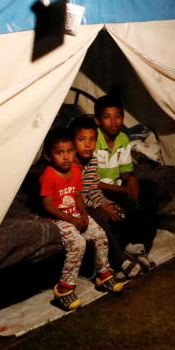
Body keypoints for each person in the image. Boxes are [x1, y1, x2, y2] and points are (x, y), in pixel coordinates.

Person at [39, 128, 124, 310]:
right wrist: (72, 219)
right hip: (59, 217)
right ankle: (64, 288)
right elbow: (47, 206)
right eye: (59, 153)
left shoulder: (75, 171)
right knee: (78, 243)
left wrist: (84, 214)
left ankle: (104, 275)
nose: (66, 157)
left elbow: (78, 196)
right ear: (48, 156)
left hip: (76, 214)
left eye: (69, 151)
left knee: (99, 234)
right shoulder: (48, 176)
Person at [69, 116, 143, 279]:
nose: (88, 145)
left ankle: (110, 257)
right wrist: (101, 207)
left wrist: (106, 203)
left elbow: (93, 188)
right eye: (82, 140)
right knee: (100, 216)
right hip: (73, 203)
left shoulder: (91, 160)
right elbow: (77, 195)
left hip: (88, 200)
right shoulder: (70, 167)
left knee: (118, 211)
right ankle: (119, 261)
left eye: (93, 139)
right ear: (72, 142)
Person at [93, 94, 159, 265]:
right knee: (125, 200)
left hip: (116, 184)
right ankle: (129, 245)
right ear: (97, 121)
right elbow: (91, 181)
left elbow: (124, 173)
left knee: (149, 187)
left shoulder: (122, 138)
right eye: (107, 117)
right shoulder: (92, 141)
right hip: (98, 189)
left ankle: (142, 242)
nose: (113, 122)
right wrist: (124, 189)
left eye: (118, 116)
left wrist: (130, 180)